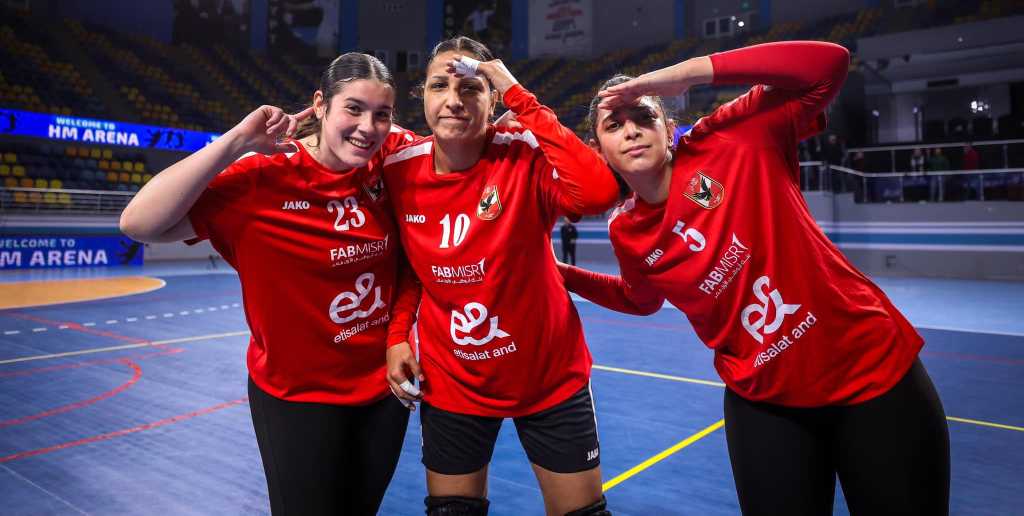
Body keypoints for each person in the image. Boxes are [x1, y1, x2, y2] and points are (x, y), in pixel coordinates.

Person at [558, 41, 949, 515]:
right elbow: (639, 300)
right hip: (762, 400)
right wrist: (561, 274)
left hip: (870, 372)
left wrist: (685, 75)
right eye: (614, 125)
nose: (632, 131)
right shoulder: (627, 230)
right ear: (598, 150)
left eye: (644, 116)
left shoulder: (732, 137)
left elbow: (829, 65)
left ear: (668, 127)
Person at [119, 53, 419, 515]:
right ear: (320, 104)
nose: (368, 127)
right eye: (353, 109)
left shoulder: (388, 159)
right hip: (297, 397)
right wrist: (237, 141)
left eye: (382, 114)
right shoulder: (262, 177)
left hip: (383, 392)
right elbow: (138, 224)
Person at [381, 36, 619, 516]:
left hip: (548, 378)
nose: (453, 100)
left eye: (471, 88)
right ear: (422, 97)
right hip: (454, 381)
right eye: (439, 86)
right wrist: (397, 334)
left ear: (493, 100)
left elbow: (598, 194)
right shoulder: (397, 168)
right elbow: (407, 265)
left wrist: (518, 94)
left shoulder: (524, 152)